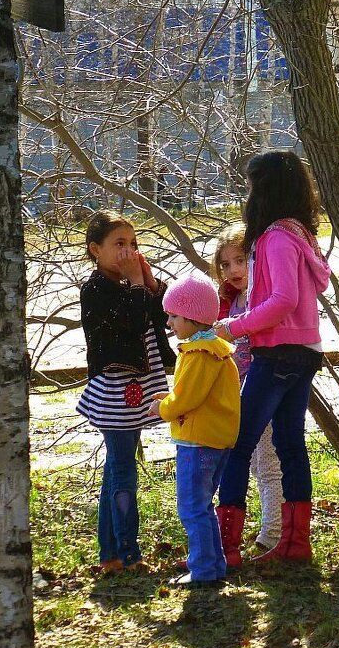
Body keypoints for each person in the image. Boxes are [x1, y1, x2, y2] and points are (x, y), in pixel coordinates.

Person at [212, 151, 330, 566]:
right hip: (305, 352)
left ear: (265, 189)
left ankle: (226, 548)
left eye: (251, 186)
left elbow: (283, 300)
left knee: (238, 443)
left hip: (277, 354)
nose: (248, 195)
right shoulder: (300, 234)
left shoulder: (277, 238)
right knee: (290, 444)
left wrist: (236, 326)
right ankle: (295, 544)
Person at [77, 209, 175, 574]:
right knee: (123, 473)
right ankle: (129, 554)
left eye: (133, 243)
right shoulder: (95, 290)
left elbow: (165, 317)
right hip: (116, 395)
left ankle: (111, 554)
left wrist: (150, 284)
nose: (129, 251)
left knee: (116, 470)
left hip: (136, 390)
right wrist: (136, 285)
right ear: (95, 250)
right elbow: (133, 325)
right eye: (119, 243)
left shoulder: (129, 286)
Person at [148, 273, 241, 587]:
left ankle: (202, 570)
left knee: (191, 507)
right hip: (215, 438)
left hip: (197, 441)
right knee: (203, 506)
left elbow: (187, 398)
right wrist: (171, 397)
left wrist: (163, 408)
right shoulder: (215, 351)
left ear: (192, 317)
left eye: (174, 316)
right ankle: (213, 565)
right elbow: (198, 394)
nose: (169, 323)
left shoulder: (199, 354)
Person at [211, 223, 284, 554]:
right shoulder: (229, 300)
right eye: (225, 264)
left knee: (267, 461)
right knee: (253, 462)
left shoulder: (261, 295)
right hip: (239, 389)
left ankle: (273, 535)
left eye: (240, 260)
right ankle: (270, 527)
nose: (233, 270)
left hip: (264, 385)